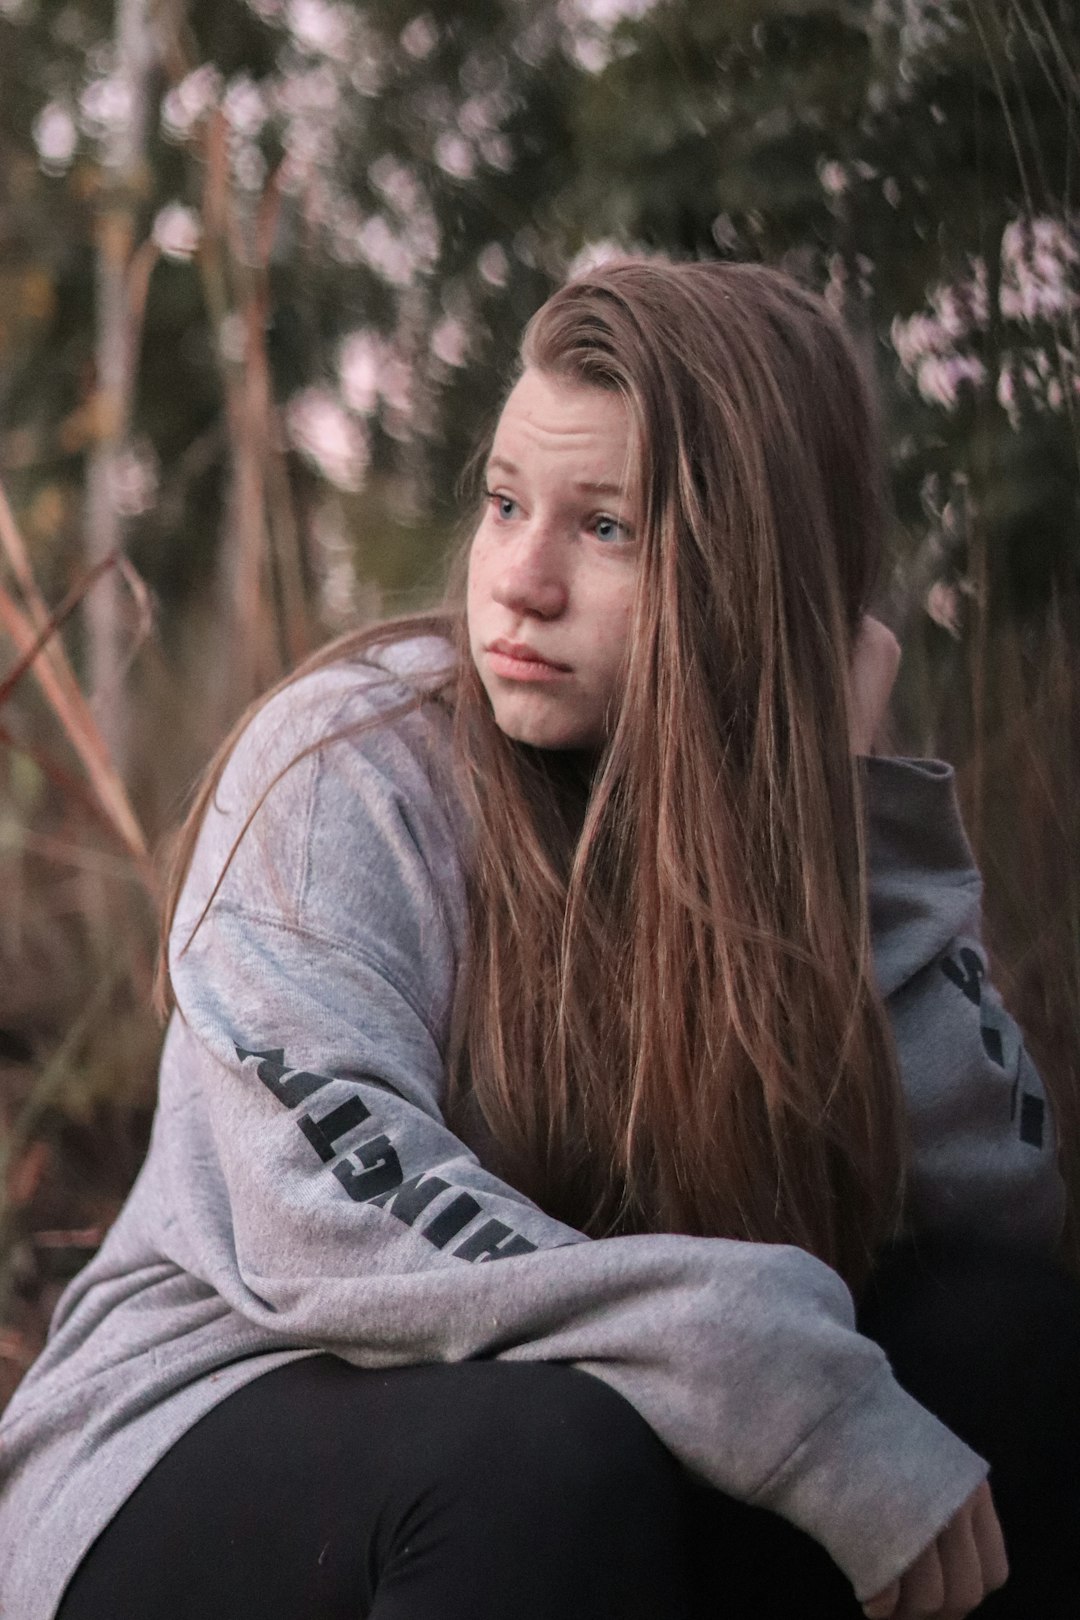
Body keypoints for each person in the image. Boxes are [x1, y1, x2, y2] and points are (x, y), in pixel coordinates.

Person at [0, 256, 1076, 1620]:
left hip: (613, 1444)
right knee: (546, 1454)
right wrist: (746, 1359)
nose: (518, 579)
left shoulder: (788, 811)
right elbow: (328, 1223)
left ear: (757, 578)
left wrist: (850, 825)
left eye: (607, 529)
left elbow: (1003, 1194)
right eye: (505, 503)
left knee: (1002, 1347)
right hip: (202, 1430)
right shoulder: (349, 773)